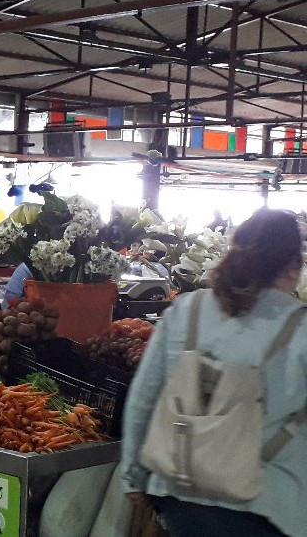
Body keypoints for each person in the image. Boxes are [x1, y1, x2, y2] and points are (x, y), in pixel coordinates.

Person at [122, 208, 307, 537]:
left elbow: (144, 396)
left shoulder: (185, 310)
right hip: (267, 504)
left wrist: (134, 475)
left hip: (181, 493)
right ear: (293, 268)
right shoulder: (301, 328)